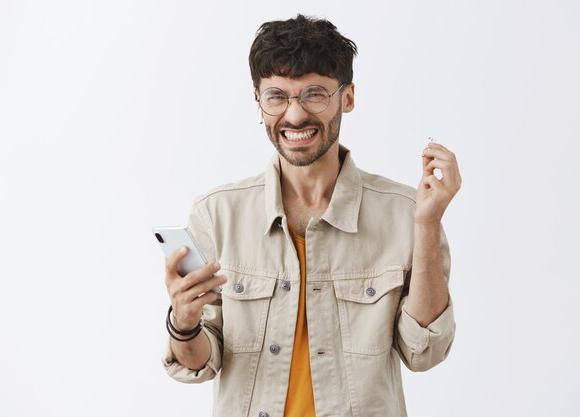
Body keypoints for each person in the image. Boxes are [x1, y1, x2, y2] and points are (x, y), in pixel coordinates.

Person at [162, 14, 462, 417]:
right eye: (277, 96)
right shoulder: (216, 214)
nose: (295, 115)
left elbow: (424, 351)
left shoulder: (407, 212)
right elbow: (199, 363)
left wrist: (426, 225)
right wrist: (183, 321)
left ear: (348, 97)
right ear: (258, 101)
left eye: (314, 94)